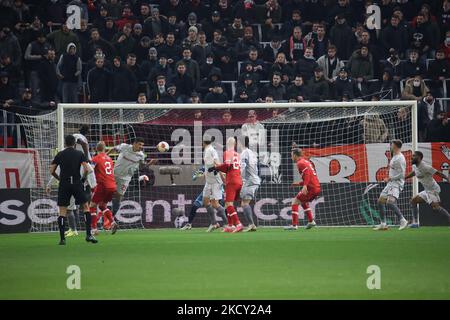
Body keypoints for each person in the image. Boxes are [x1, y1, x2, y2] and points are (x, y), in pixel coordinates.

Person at [49, 135, 97, 245]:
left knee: (62, 211)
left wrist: (59, 178)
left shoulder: (60, 154)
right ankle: (88, 235)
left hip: (64, 184)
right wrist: (83, 178)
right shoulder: (79, 154)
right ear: (75, 143)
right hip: (76, 182)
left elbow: (51, 170)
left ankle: (62, 239)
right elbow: (86, 169)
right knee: (85, 207)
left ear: (65, 143)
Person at [108, 138, 157, 234]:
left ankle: (111, 219)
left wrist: (150, 163)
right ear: (134, 144)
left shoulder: (141, 155)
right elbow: (113, 149)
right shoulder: (124, 147)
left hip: (126, 178)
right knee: (107, 194)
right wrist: (104, 156)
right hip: (114, 174)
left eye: (142, 145)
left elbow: (142, 167)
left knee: (119, 197)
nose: (141, 147)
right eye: (139, 144)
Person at [406, 151, 450, 228]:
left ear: (419, 158)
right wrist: (405, 177)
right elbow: (414, 172)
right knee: (413, 201)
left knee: (436, 207)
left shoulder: (426, 167)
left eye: (414, 156)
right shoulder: (416, 166)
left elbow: (438, 173)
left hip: (433, 190)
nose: (411, 157)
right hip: (427, 190)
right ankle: (415, 223)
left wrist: (447, 178)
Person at [211, 137, 244, 233]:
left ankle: (238, 224)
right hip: (239, 180)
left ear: (228, 143)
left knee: (228, 204)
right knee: (229, 204)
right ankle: (230, 225)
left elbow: (227, 166)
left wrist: (216, 167)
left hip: (232, 181)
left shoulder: (227, 153)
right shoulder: (238, 154)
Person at [374, 140, 408, 231]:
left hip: (396, 183)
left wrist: (390, 178)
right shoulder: (394, 156)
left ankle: (403, 220)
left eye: (392, 145)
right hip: (391, 183)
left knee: (390, 203)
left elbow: (402, 174)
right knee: (380, 201)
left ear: (396, 146)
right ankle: (383, 224)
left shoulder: (400, 158)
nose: (391, 146)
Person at [285, 147, 320, 230]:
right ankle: (311, 221)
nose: (291, 157)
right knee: (303, 201)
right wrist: (300, 183)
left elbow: (307, 174)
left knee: (295, 201)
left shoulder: (300, 163)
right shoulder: (306, 161)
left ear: (295, 155)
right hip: (316, 187)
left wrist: (304, 186)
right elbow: (310, 176)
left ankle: (294, 225)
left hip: (311, 188)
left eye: (291, 155)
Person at [201, 135, 228, 232]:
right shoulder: (207, 150)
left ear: (203, 143)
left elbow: (217, 163)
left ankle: (227, 224)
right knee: (205, 201)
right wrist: (205, 174)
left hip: (215, 181)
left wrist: (222, 175)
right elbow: (210, 165)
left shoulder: (211, 150)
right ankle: (214, 223)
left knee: (215, 204)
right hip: (209, 181)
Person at [89, 141, 117, 235]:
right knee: (102, 205)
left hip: (102, 185)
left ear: (96, 149)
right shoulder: (109, 159)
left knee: (92, 206)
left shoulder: (95, 158)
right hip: (112, 185)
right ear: (105, 149)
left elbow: (90, 169)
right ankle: (112, 222)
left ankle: (94, 229)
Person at [239, 136, 260, 232]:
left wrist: (237, 176)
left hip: (250, 181)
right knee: (244, 203)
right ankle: (252, 225)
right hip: (254, 179)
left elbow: (242, 167)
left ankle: (251, 224)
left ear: (240, 143)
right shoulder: (252, 152)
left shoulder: (244, 153)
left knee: (244, 203)